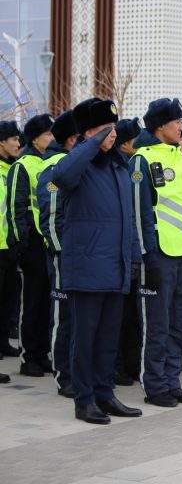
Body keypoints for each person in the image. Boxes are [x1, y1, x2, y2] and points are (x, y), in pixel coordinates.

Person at [52, 96, 143, 424]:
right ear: (87, 133)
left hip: (116, 267)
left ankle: (105, 395)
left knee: (108, 338)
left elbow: (128, 219)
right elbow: (62, 175)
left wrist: (133, 258)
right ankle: (84, 399)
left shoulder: (118, 166)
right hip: (87, 267)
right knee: (85, 338)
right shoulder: (78, 163)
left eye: (114, 129)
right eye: (105, 129)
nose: (112, 135)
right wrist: (88, 144)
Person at [131, 97, 182, 407]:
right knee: (157, 326)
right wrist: (148, 256)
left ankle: (172, 382)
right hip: (159, 257)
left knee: (178, 324)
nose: (181, 128)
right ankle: (156, 386)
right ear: (160, 127)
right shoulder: (142, 160)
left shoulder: (181, 159)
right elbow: (140, 213)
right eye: (177, 123)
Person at [7, 114, 55, 376]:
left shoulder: (49, 163)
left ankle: (42, 352)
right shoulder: (22, 165)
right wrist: (20, 243)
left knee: (47, 301)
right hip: (32, 241)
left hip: (46, 239)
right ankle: (29, 357)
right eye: (47, 134)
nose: (51, 138)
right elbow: (16, 207)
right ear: (35, 138)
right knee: (32, 302)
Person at [37, 110, 79, 398]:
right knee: (63, 317)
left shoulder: (76, 162)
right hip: (64, 255)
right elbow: (52, 218)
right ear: (71, 139)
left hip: (83, 254)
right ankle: (63, 374)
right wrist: (60, 253)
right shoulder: (54, 166)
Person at [113, 118, 143, 385]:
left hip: (132, 251)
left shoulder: (127, 165)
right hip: (118, 253)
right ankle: (117, 365)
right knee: (120, 316)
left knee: (133, 315)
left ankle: (130, 363)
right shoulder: (124, 165)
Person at [0, 120, 22, 364]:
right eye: (14, 139)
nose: (18, 143)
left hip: (9, 245)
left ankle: (3, 341)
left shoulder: (11, 170)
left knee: (9, 299)